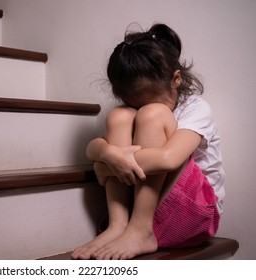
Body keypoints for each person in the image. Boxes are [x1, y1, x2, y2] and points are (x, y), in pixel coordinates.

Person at [71, 23, 225, 260]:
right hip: (142, 209)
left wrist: (104, 166)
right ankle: (118, 225)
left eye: (152, 101)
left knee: (153, 115)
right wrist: (109, 155)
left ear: (176, 79)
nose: (142, 110)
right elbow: (93, 148)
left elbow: (167, 159)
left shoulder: (196, 109)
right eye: (137, 104)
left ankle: (140, 230)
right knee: (119, 116)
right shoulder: (131, 111)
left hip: (192, 215)